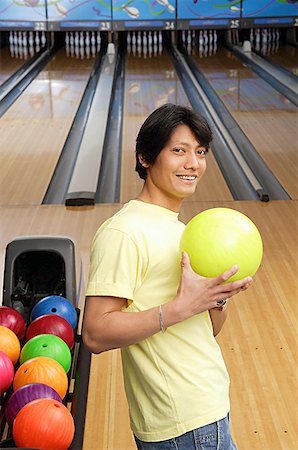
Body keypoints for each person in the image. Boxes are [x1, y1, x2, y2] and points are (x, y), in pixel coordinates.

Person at [82, 103, 253, 450]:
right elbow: (96, 334)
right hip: (181, 423)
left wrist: (218, 296)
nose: (193, 163)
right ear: (145, 157)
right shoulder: (124, 231)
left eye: (200, 152)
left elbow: (208, 329)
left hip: (207, 406)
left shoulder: (184, 232)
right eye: (179, 151)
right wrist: (180, 308)